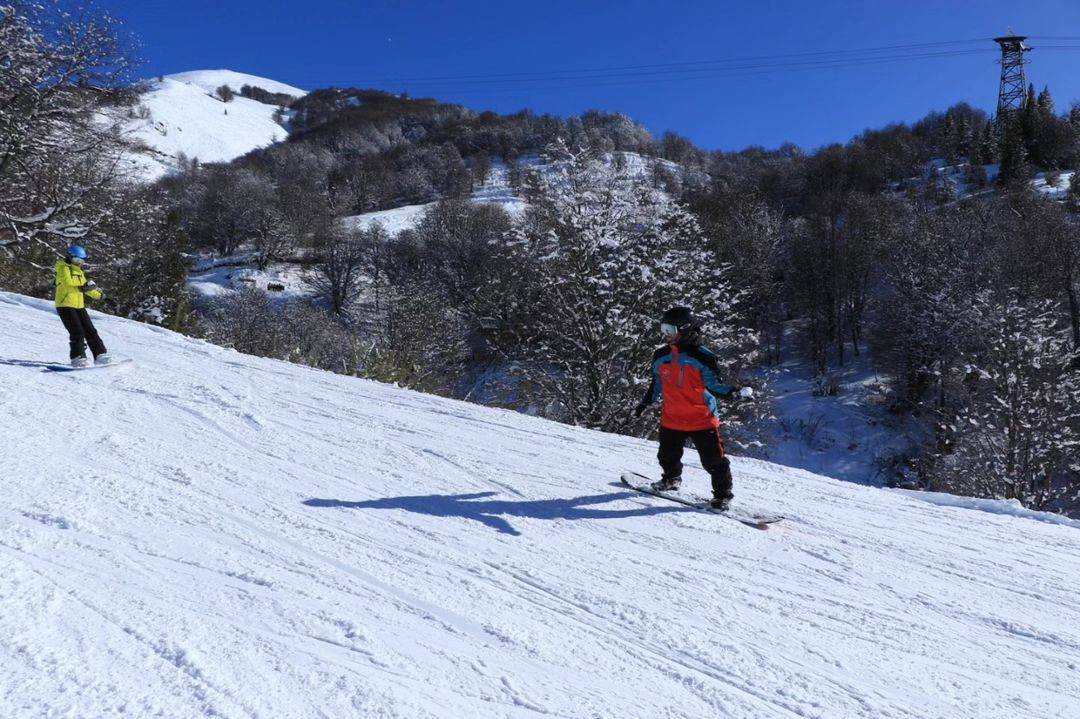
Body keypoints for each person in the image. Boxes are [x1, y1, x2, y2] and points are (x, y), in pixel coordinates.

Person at [634, 306, 751, 511]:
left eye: (670, 330)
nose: (665, 335)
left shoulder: (703, 357)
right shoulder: (661, 356)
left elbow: (715, 386)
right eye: (663, 330)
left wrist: (735, 393)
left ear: (685, 329)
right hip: (672, 418)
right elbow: (657, 384)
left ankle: (722, 496)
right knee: (666, 456)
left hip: (701, 419)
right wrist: (644, 403)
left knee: (714, 461)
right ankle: (671, 480)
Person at [55, 245, 112, 367]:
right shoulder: (62, 267)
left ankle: (100, 355)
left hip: (78, 305)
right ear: (69, 257)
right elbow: (67, 283)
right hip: (65, 305)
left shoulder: (79, 272)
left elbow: (86, 288)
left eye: (81, 261)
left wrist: (102, 297)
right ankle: (78, 357)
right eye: (76, 260)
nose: (79, 263)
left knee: (90, 330)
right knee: (77, 332)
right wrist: (83, 287)